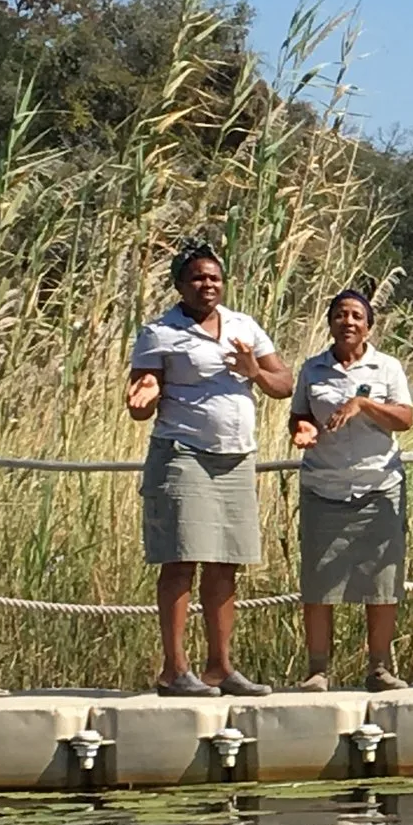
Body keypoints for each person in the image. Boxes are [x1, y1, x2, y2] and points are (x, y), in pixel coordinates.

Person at [126, 242, 293, 697]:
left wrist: (254, 370)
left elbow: (284, 384)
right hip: (184, 453)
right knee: (181, 561)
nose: (208, 285)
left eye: (214, 277)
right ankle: (174, 670)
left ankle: (219, 667)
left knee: (225, 565)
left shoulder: (243, 326)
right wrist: (142, 399)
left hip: (236, 458)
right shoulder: (159, 332)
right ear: (180, 285)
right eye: (198, 277)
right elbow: (144, 390)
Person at [288, 288, 413, 692]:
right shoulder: (312, 369)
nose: (348, 322)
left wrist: (364, 405)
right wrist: (302, 429)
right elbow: (300, 415)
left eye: (356, 316)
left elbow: (405, 419)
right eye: (340, 314)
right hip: (323, 486)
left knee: (381, 583)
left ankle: (378, 668)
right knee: (319, 583)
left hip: (379, 486)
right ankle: (317, 671)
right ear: (329, 323)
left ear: (369, 326)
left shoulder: (388, 368)